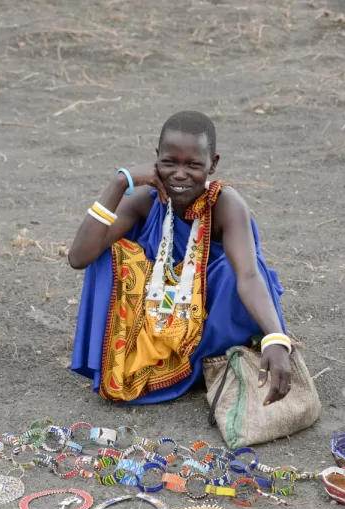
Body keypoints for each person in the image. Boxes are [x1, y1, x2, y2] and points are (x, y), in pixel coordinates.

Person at [69, 110, 291, 406]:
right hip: (157, 311)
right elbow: (79, 256)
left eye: (194, 165)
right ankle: (143, 357)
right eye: (169, 162)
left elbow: (249, 276)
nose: (180, 174)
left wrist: (275, 338)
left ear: (213, 165)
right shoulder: (145, 200)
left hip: (214, 315)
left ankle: (208, 361)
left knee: (229, 271)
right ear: (156, 158)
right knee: (105, 251)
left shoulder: (226, 204)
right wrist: (120, 183)